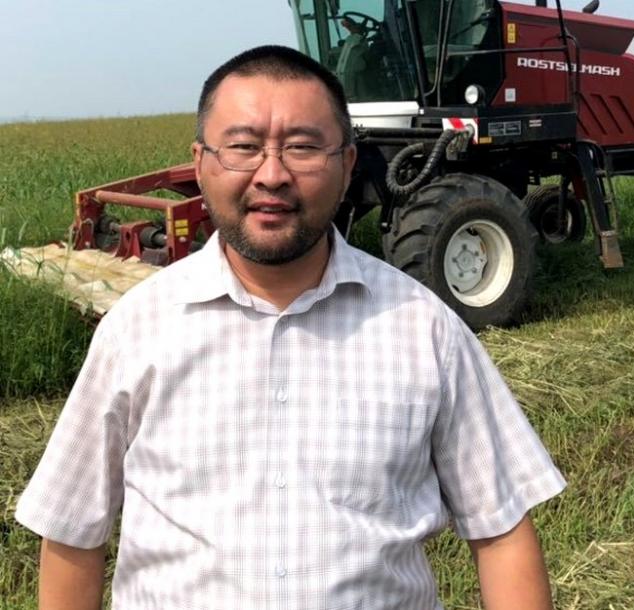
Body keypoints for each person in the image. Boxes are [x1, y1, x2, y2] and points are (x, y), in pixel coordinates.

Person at [15, 45, 566, 610]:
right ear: (201, 163)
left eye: (302, 147)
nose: (272, 175)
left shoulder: (424, 329)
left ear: (348, 164)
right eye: (243, 147)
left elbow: (501, 530)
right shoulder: (136, 330)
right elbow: (73, 532)